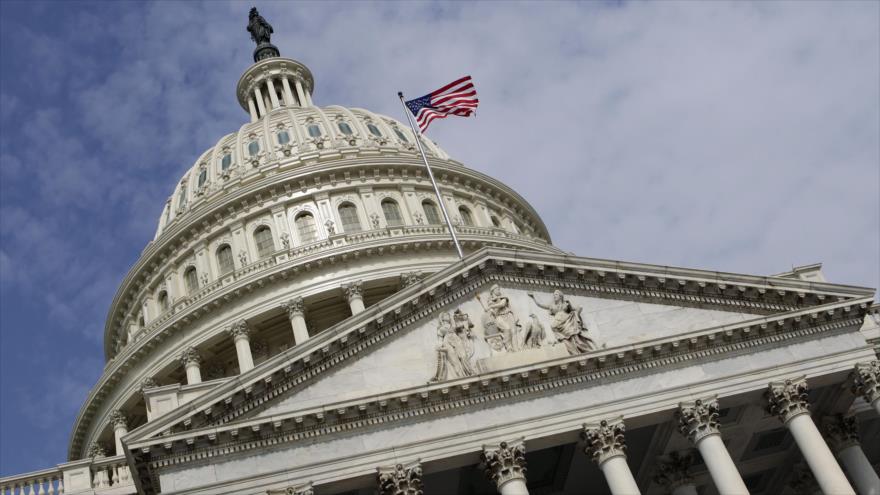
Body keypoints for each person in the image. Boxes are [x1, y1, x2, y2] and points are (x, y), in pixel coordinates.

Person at [528, 290, 595, 354]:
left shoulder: (566, 304)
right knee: (563, 338)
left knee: (574, 336)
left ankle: (583, 348)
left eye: (556, 294)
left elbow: (575, 310)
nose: (554, 296)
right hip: (558, 324)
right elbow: (540, 305)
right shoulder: (552, 306)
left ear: (560, 296)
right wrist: (533, 298)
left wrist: (578, 311)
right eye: (554, 295)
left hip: (568, 322)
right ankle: (572, 350)